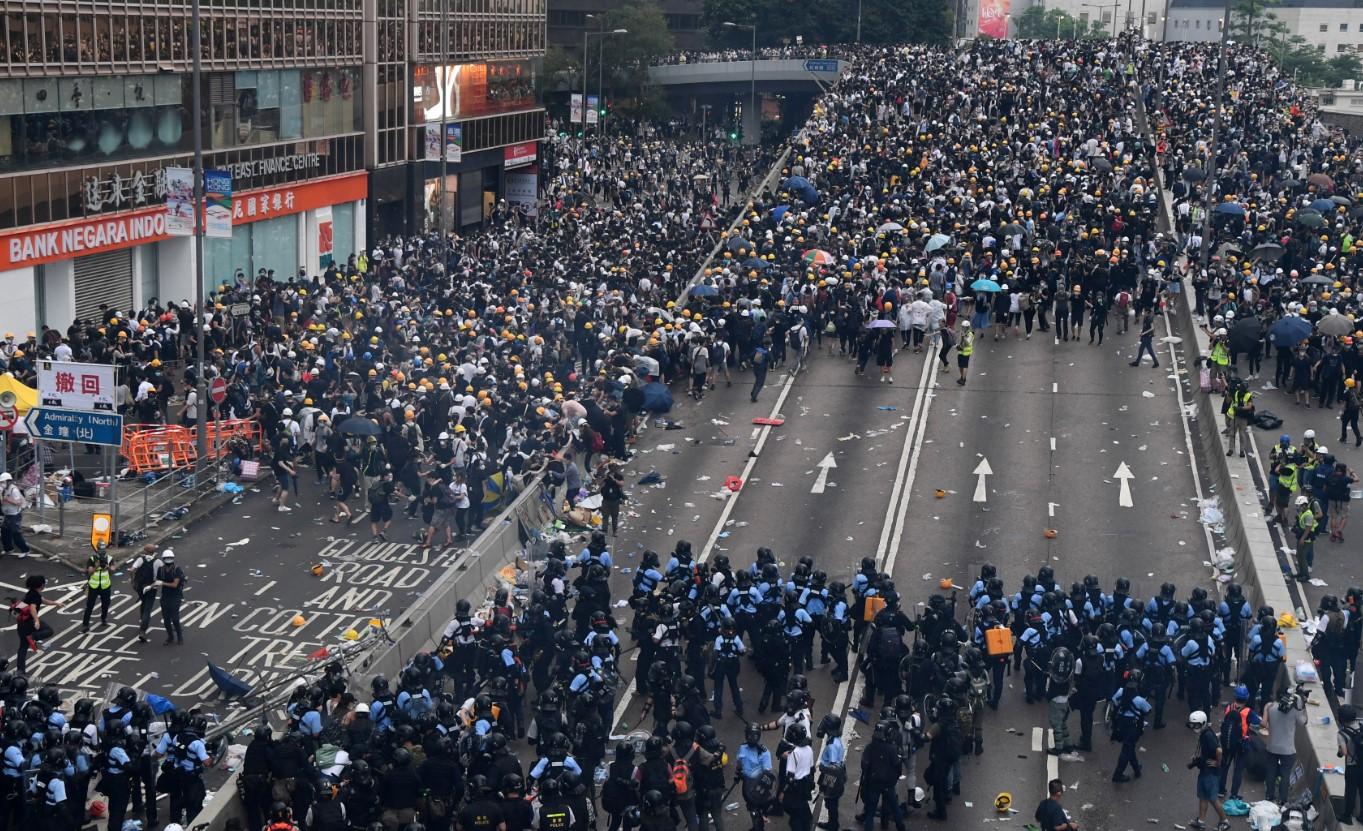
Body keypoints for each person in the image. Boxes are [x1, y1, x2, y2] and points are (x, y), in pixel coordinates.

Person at [1186, 710, 1229, 831]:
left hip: (1211, 772)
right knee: (1203, 796)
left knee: (1212, 798)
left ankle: (1224, 821)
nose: (1194, 727)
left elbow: (1219, 750)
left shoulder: (1207, 736)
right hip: (1205, 769)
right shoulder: (1206, 732)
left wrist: (1217, 763)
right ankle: (1201, 821)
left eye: (1197, 725)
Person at [1263, 687, 1306, 805]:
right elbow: (1303, 722)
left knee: (1270, 772)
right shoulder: (1294, 710)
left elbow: (1264, 724)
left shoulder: (1270, 707)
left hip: (1272, 746)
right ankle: (1282, 799)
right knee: (1285, 774)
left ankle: (1269, 795)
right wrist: (1302, 706)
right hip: (1288, 749)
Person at [14, 572, 59, 675]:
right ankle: (33, 637)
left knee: (23, 648)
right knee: (49, 630)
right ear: (41, 585)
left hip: (21, 624)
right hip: (29, 623)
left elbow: (44, 601)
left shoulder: (32, 593)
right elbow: (33, 607)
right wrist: (36, 620)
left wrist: (56, 603)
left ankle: (20, 671)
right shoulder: (34, 596)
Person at [128, 545, 163, 643]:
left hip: (140, 587)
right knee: (148, 608)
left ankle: (141, 620)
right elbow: (161, 576)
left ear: (146, 551)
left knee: (143, 602)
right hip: (151, 587)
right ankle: (143, 630)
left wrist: (132, 581)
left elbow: (132, 570)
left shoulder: (140, 559)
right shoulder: (158, 562)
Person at [81, 544, 114, 632]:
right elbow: (90, 572)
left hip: (105, 586)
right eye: (100, 549)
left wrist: (107, 567)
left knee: (106, 604)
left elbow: (113, 571)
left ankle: (103, 618)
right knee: (90, 606)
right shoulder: (92, 559)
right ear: (97, 549)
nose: (102, 551)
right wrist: (96, 566)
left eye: (103, 549)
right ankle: (85, 624)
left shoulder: (110, 558)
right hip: (93, 586)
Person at [1340, 704, 1363, 824]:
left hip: (1352, 766)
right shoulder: (1361, 726)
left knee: (1351, 791)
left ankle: (1347, 816)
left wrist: (1341, 750)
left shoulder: (1342, 734)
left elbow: (1343, 752)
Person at [157, 548, 186, 645]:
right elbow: (157, 581)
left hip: (175, 596)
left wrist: (162, 583)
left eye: (170, 558)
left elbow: (174, 584)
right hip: (165, 596)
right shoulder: (160, 570)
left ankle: (180, 636)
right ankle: (170, 636)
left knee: (175, 618)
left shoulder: (177, 570)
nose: (168, 560)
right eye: (166, 558)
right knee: (166, 619)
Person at [0, 472, 29, 557]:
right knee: (5, 532)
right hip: (7, 514)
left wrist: (7, 499)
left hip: (15, 514)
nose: (2, 484)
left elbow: (18, 502)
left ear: (9, 481)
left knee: (16, 532)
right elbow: (2, 501)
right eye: (1, 482)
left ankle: (25, 550)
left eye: (3, 482)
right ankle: (8, 549)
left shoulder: (14, 489)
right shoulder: (3, 490)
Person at [956, 321, 974, 386]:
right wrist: (958, 345)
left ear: (967, 327)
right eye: (962, 327)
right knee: (960, 366)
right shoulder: (962, 333)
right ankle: (962, 377)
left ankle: (963, 380)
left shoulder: (970, 334)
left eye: (964, 327)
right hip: (961, 351)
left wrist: (964, 336)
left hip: (966, 353)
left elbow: (967, 343)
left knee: (965, 366)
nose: (963, 328)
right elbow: (960, 341)